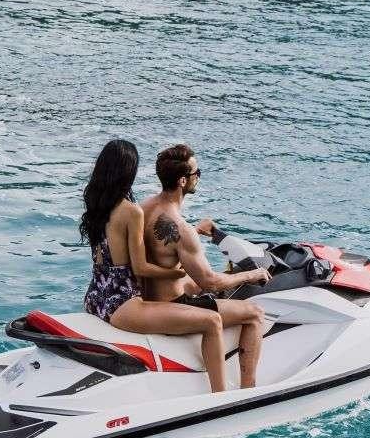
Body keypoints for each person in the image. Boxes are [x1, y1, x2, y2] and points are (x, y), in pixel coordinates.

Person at [79, 139, 243, 393]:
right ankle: (221, 398)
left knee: (192, 288)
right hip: (123, 304)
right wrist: (178, 271)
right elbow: (141, 268)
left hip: (95, 298)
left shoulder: (97, 205)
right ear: (128, 171)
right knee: (212, 321)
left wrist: (194, 232)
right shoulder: (131, 211)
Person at [141, 144, 269, 389]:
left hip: (147, 297)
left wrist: (196, 231)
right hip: (171, 305)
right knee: (254, 313)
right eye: (196, 174)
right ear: (182, 181)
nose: (198, 178)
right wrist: (251, 274)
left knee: (211, 280)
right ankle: (248, 389)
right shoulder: (181, 229)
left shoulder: (143, 209)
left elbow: (162, 248)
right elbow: (209, 281)